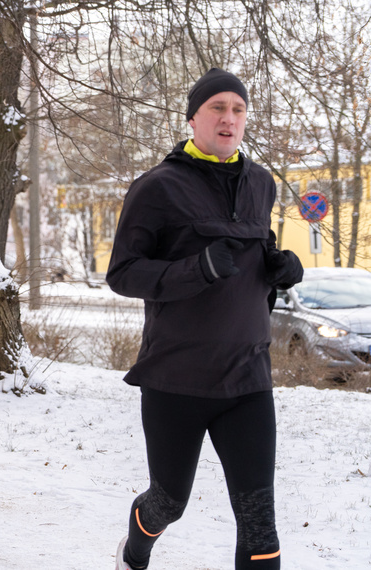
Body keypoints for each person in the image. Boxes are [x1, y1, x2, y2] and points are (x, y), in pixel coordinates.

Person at [106, 68, 304, 570]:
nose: (229, 118)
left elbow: (254, 252)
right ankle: (133, 553)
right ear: (193, 117)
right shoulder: (156, 187)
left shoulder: (260, 183)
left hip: (247, 374)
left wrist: (279, 269)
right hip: (177, 377)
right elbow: (123, 274)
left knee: (259, 522)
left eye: (238, 110)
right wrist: (196, 269)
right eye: (218, 108)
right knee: (168, 501)